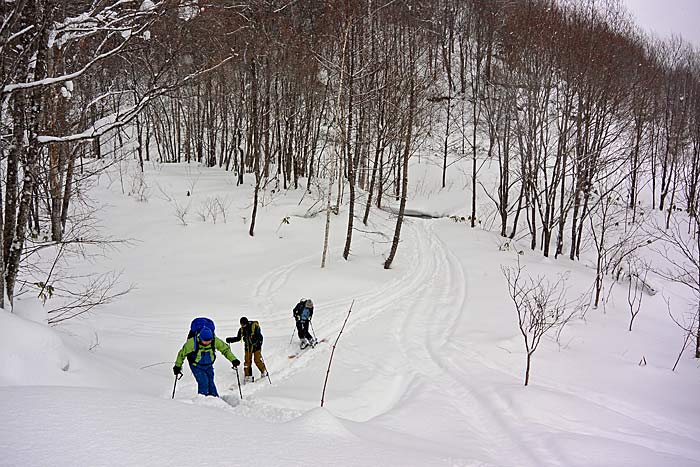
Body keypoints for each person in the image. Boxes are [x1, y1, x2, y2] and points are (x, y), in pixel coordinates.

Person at [173, 325, 240, 397]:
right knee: (203, 382)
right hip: (196, 366)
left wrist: (233, 359)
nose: (208, 342)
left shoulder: (214, 341)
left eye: (209, 340)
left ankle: (215, 399)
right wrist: (177, 366)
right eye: (205, 341)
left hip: (208, 365)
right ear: (200, 338)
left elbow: (225, 349)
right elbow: (182, 354)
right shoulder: (192, 343)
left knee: (211, 383)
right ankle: (203, 402)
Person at [226, 317, 267, 383]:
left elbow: (260, 337)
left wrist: (258, 344)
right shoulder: (241, 329)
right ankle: (248, 376)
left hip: (256, 346)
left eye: (244, 324)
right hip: (248, 347)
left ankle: (264, 372)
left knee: (257, 360)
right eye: (241, 324)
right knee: (247, 362)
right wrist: (231, 339)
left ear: (247, 323)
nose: (243, 326)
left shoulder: (254, 327)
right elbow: (238, 338)